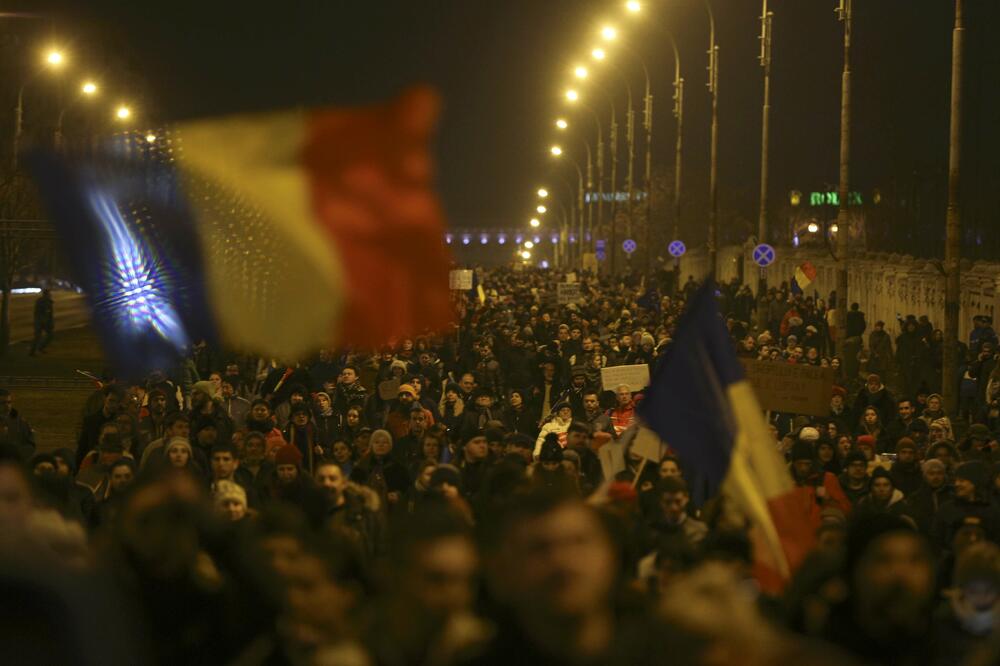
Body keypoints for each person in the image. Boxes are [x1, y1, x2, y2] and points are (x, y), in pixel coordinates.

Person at [471, 487, 657, 664]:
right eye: (540, 548)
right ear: (505, 570)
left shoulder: (668, 653)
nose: (563, 562)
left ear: (611, 554)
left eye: (578, 542)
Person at [314, 460, 383, 561]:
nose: (326, 483)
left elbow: (380, 552)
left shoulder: (366, 515)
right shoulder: (306, 513)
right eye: (321, 479)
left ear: (343, 483)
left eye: (332, 479)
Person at [0, 388, 35, 461]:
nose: (7, 405)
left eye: (9, 402)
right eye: (2, 403)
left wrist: (17, 454)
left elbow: (30, 445)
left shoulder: (21, 422)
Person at [29, 288, 54, 356]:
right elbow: (46, 313)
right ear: (46, 294)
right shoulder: (44, 301)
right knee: (41, 336)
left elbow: (49, 313)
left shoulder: (44, 301)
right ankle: (35, 350)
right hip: (41, 321)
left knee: (42, 336)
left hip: (40, 321)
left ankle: (36, 350)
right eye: (49, 294)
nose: (50, 295)